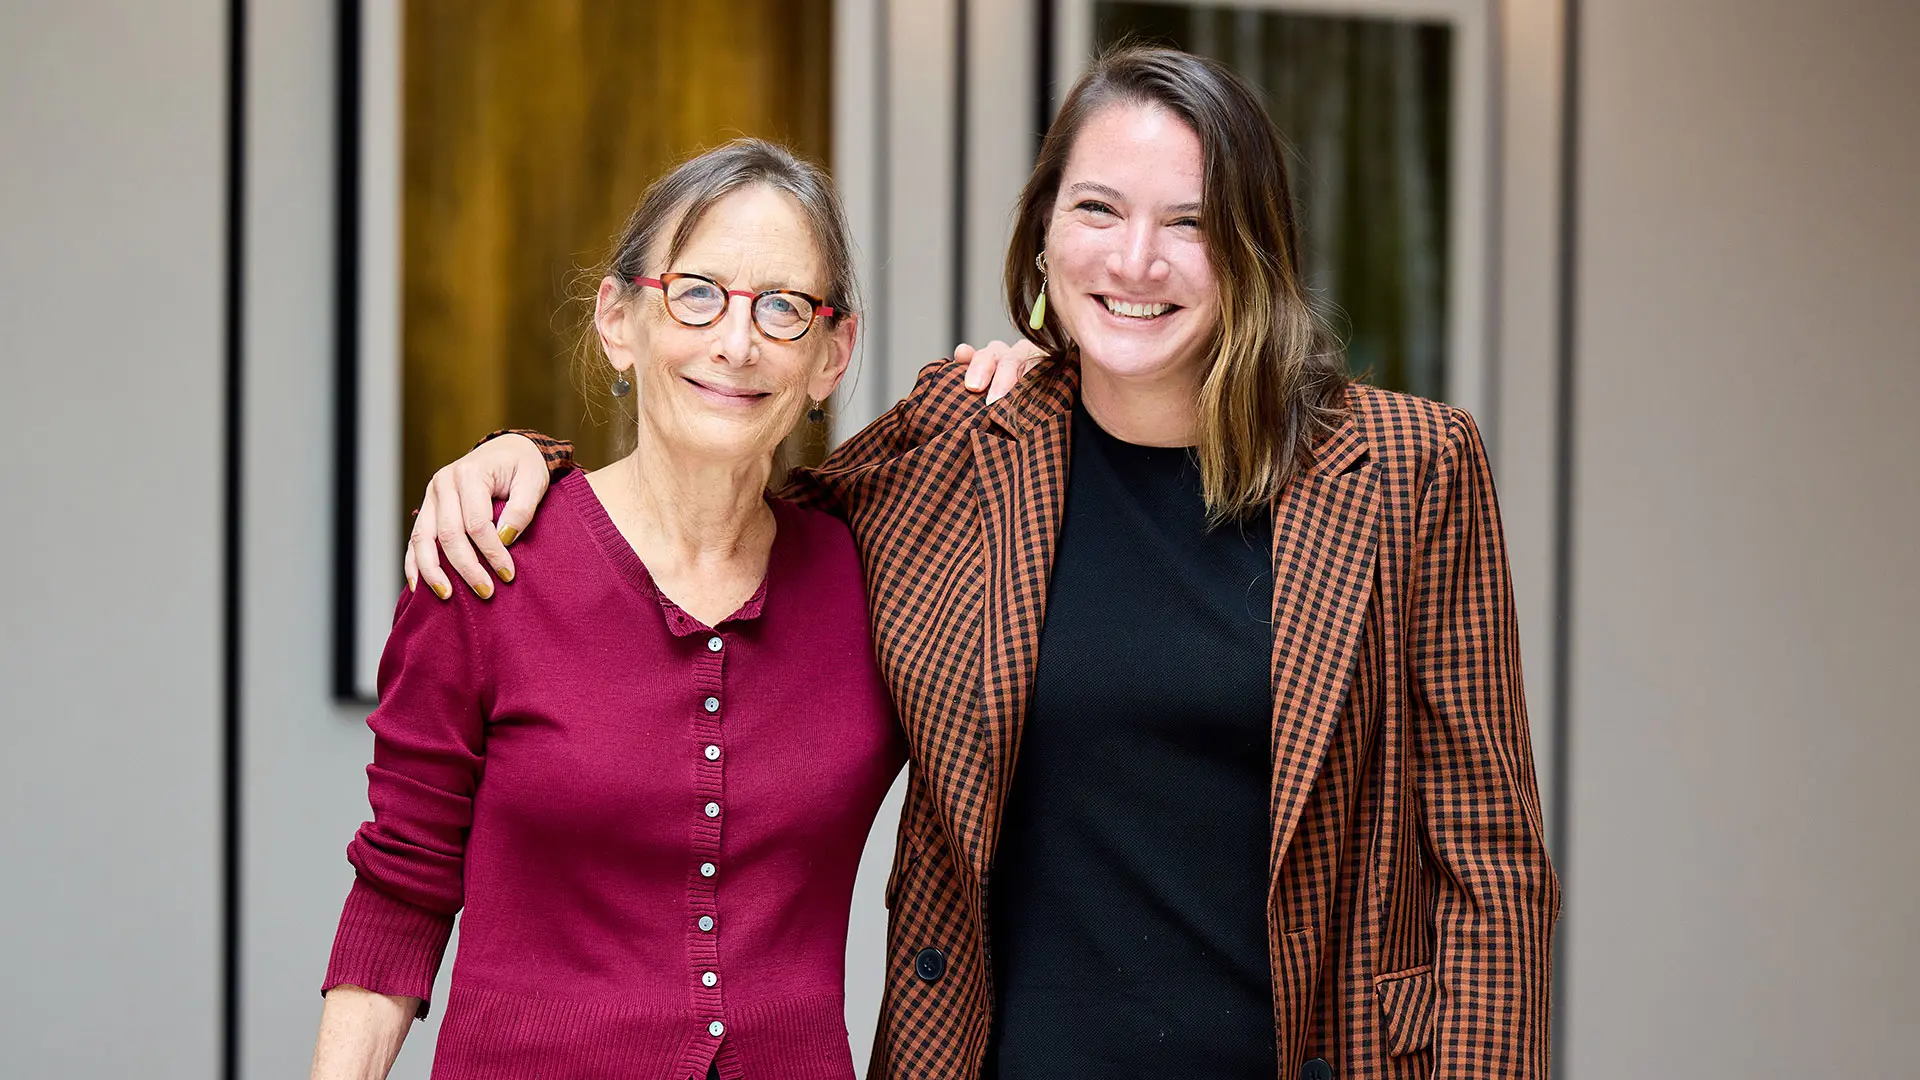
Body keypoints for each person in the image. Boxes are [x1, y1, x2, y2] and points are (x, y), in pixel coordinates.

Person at [412, 46, 1560, 1080]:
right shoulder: (963, 441)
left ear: (1254, 245)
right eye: (1098, 209)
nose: (1137, 259)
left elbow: (1491, 867)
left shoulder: (1407, 469)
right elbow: (729, 504)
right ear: (1046, 232)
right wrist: (527, 469)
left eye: (1190, 223)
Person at [310, 139, 921, 1080]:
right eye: (697, 293)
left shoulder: (873, 580)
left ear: (832, 356)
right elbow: (400, 884)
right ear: (617, 320)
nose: (736, 342)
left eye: (784, 308)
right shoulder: (488, 562)